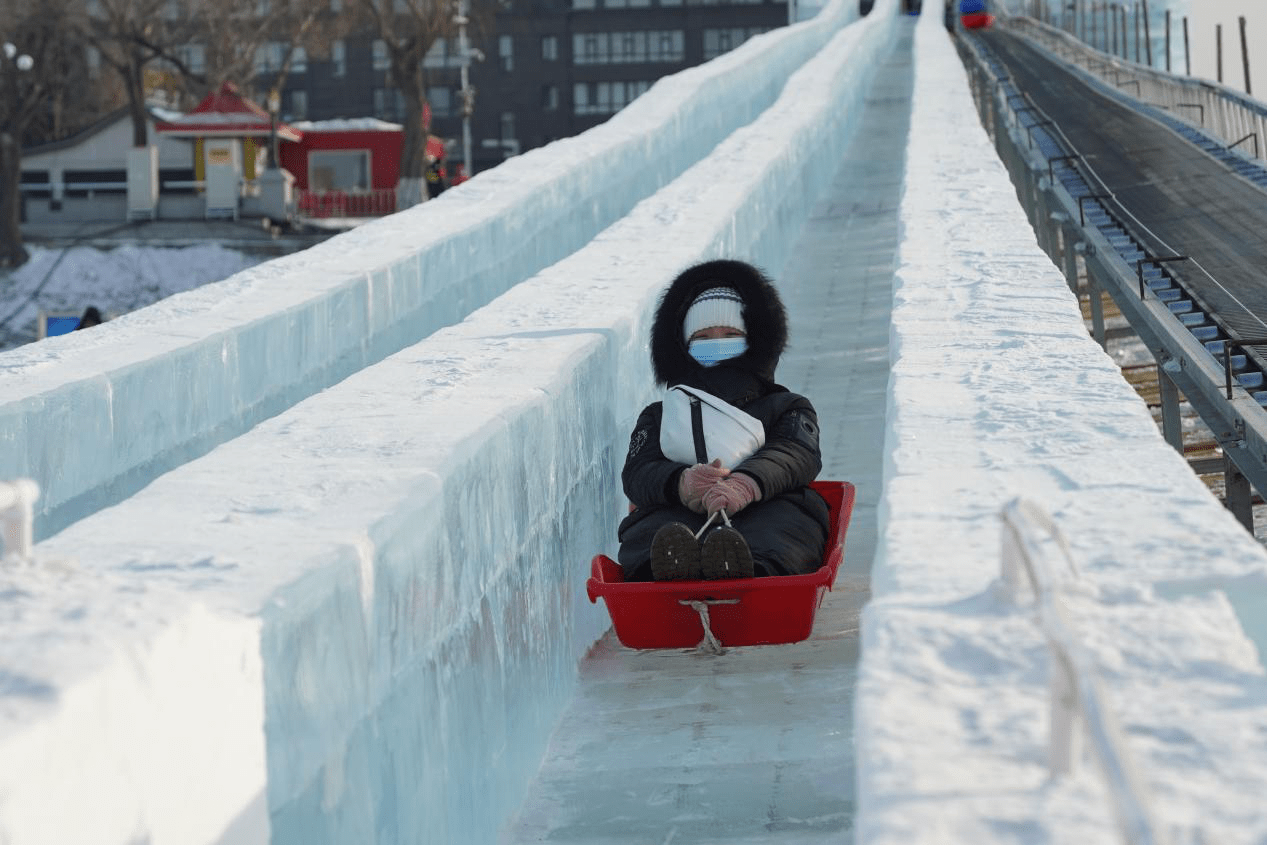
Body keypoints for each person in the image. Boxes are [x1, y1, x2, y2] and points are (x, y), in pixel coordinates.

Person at [617, 259, 830, 582]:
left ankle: (748, 569)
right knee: (652, 530)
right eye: (704, 336)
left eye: (730, 334)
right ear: (685, 347)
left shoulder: (786, 406)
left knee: (782, 529)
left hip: (767, 501)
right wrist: (681, 483)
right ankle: (671, 572)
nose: (717, 342)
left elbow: (794, 454)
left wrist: (746, 484)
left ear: (753, 341)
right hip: (680, 508)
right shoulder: (659, 415)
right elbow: (638, 472)